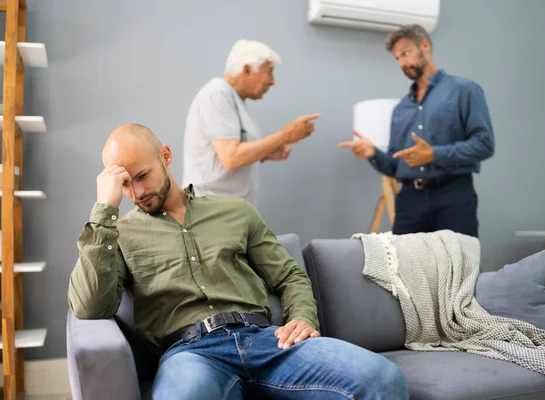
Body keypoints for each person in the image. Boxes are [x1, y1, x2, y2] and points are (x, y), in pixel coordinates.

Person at [68, 124, 408, 399]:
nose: (137, 193)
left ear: (166, 156)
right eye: (125, 184)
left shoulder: (236, 211)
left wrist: (302, 317)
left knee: (382, 379)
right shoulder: (119, 234)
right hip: (192, 354)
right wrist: (104, 212)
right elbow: (90, 307)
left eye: (142, 176)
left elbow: (289, 275)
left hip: (267, 341)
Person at [339, 24, 494, 237]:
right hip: (409, 201)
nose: (402, 63)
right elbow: (396, 166)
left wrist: (434, 154)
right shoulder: (401, 109)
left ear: (425, 46)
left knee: (457, 268)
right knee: (404, 268)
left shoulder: (464, 90)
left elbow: (484, 144)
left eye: (406, 53)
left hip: (453, 196)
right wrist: (372, 153)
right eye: (397, 58)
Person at [182, 39, 319, 205]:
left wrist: (265, 153)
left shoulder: (235, 99)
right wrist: (285, 136)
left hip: (226, 211)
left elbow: (229, 154)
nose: (272, 81)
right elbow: (231, 157)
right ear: (246, 70)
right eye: (269, 72)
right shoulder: (217, 94)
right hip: (210, 211)